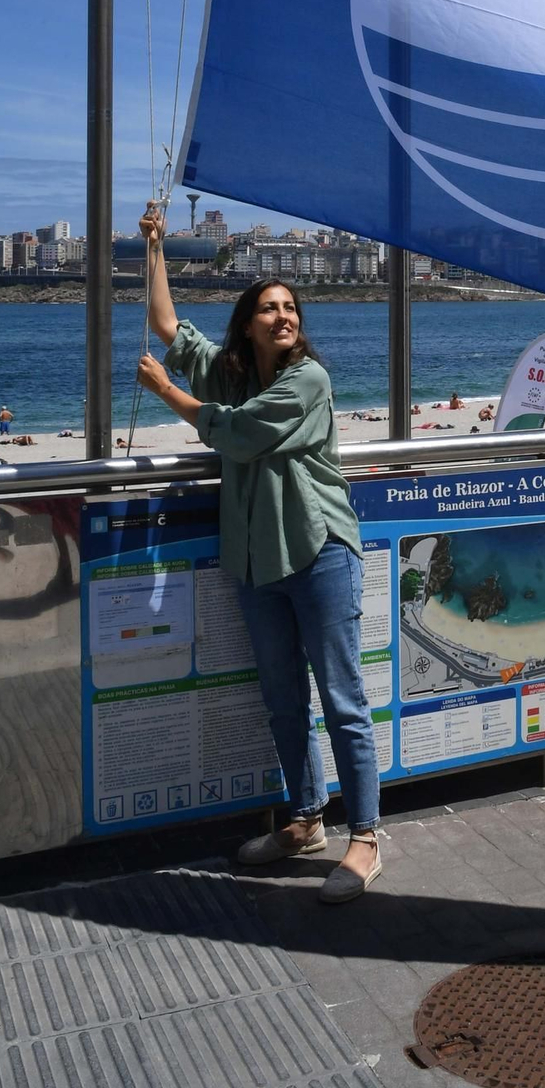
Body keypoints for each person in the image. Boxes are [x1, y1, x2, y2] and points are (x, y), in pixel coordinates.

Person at [136, 205, 381, 904]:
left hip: (318, 553)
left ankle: (364, 838)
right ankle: (305, 820)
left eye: (290, 308)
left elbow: (236, 436)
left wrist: (169, 395)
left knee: (342, 700)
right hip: (255, 563)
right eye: (269, 308)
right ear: (248, 322)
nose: (283, 317)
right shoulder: (237, 374)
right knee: (281, 701)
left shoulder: (308, 382)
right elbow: (167, 328)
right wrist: (153, 247)